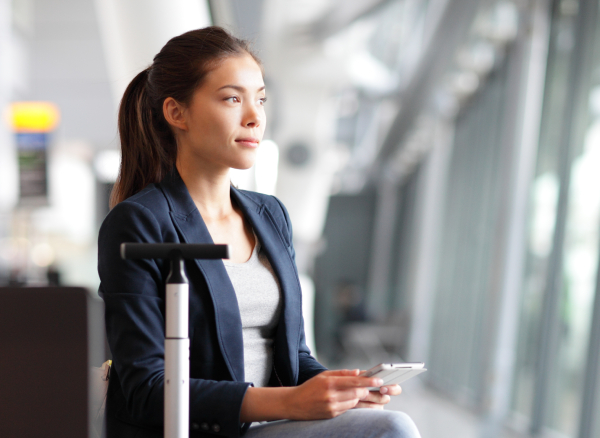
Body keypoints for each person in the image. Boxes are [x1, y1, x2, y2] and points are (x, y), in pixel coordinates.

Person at [98, 26, 421, 438]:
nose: (254, 117)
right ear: (176, 113)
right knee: (392, 429)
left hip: (273, 424)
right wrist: (291, 402)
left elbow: (295, 355)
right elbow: (146, 389)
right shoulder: (139, 223)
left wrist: (342, 389)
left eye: (261, 99)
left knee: (385, 423)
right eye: (232, 98)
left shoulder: (269, 216)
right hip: (206, 430)